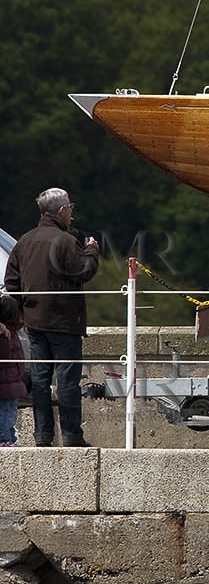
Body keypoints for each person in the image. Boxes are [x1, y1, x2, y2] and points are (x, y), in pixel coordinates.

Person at [4, 188, 99, 447]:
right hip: (65, 323)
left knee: (40, 380)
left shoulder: (25, 241)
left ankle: (42, 436)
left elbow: (11, 282)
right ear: (61, 211)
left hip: (34, 323)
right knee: (67, 380)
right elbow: (83, 271)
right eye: (70, 208)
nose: (71, 212)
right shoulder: (66, 241)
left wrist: (24, 310)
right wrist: (91, 250)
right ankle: (71, 436)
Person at [0, 296, 25, 446]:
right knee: (7, 414)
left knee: (8, 415)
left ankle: (8, 437)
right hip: (8, 384)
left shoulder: (9, 332)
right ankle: (4, 439)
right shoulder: (7, 334)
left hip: (10, 382)